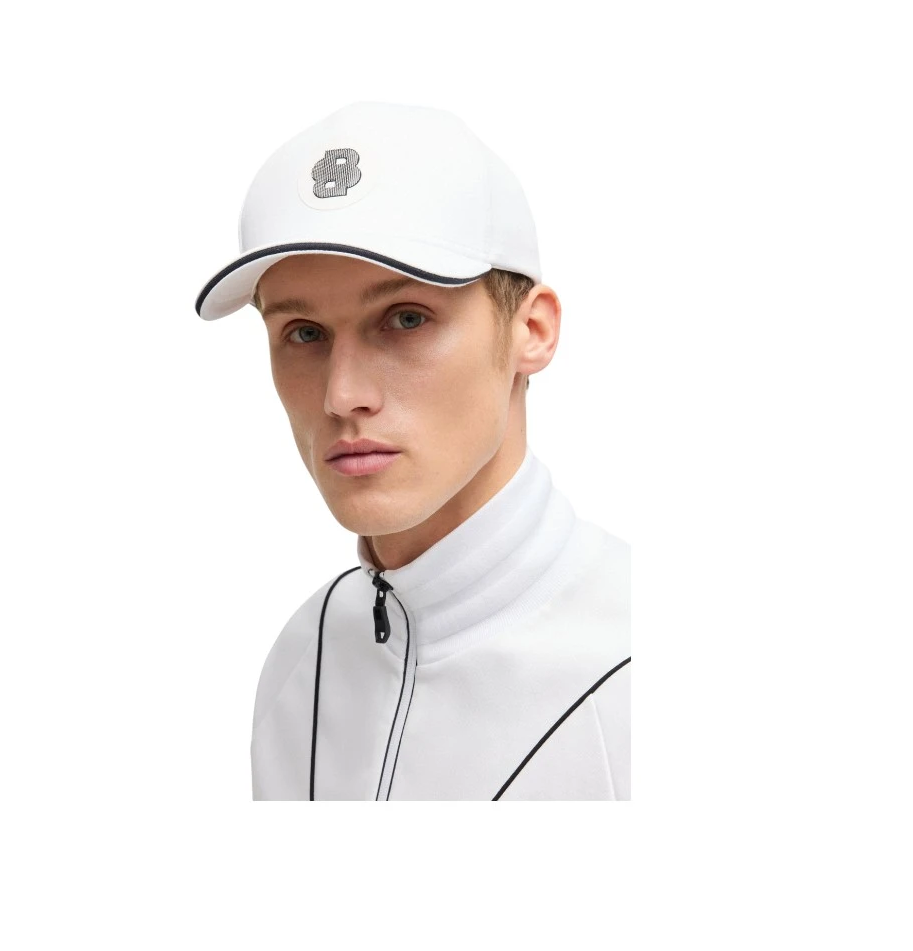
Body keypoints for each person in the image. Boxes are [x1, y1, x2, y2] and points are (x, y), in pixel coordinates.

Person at [194, 101, 631, 800]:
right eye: (304, 333)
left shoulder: (632, 674)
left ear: (533, 331)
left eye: (405, 319)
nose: (342, 395)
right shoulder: (302, 661)